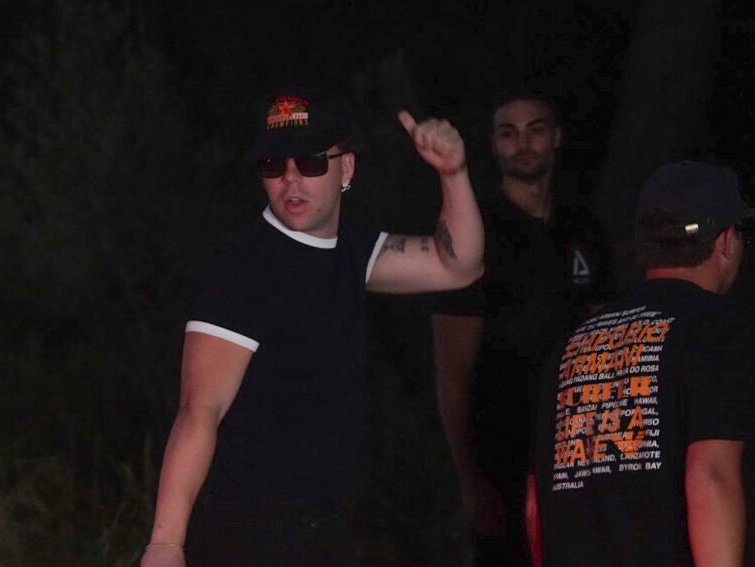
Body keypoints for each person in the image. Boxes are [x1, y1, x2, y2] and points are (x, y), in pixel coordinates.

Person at [140, 86, 484, 567]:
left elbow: (459, 266)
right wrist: (165, 544)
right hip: (245, 533)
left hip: (326, 531)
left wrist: (454, 173)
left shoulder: (352, 249)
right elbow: (199, 410)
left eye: (310, 162)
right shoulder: (244, 269)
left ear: (347, 169)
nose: (290, 179)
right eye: (273, 165)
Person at [527, 161, 754, 566]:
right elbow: (710, 478)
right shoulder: (717, 330)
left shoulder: (572, 345)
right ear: (726, 241)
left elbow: (534, 504)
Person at [429, 91, 608, 565]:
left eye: (536, 130)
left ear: (557, 137)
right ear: (493, 145)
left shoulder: (584, 229)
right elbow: (451, 371)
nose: (523, 144)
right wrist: (470, 481)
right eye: (509, 133)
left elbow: (602, 342)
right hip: (501, 450)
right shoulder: (474, 233)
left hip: (577, 447)